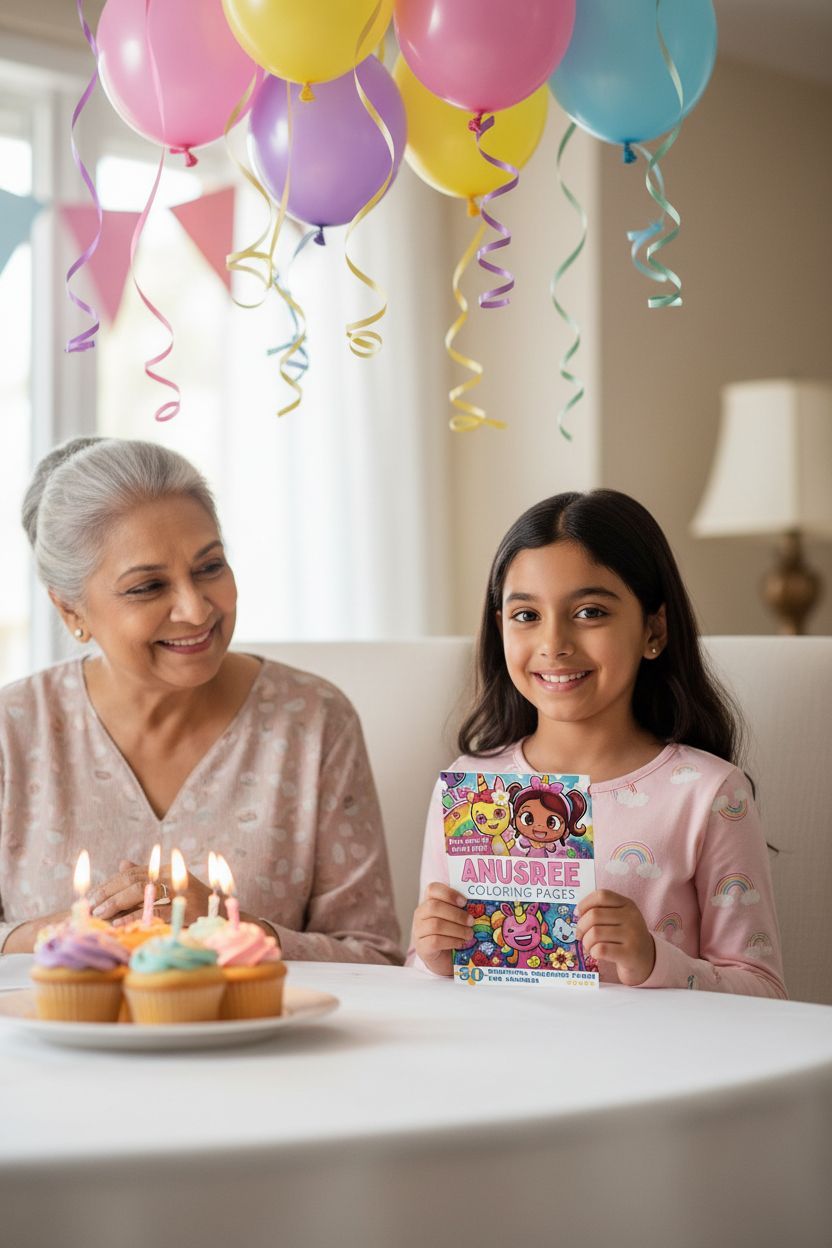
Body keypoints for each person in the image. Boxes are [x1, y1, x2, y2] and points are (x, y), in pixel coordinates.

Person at [0, 436, 402, 965]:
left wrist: (234, 929)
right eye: (147, 587)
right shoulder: (13, 730)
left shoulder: (315, 721)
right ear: (70, 610)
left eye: (210, 567)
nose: (195, 609)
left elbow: (376, 957)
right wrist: (48, 936)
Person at [411, 490, 786, 997]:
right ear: (500, 628)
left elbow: (765, 991)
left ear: (653, 629)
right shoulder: (467, 786)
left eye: (589, 612)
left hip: (651, 1050)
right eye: (526, 615)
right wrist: (433, 957)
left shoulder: (708, 794)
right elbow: (422, 973)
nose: (554, 644)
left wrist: (653, 960)